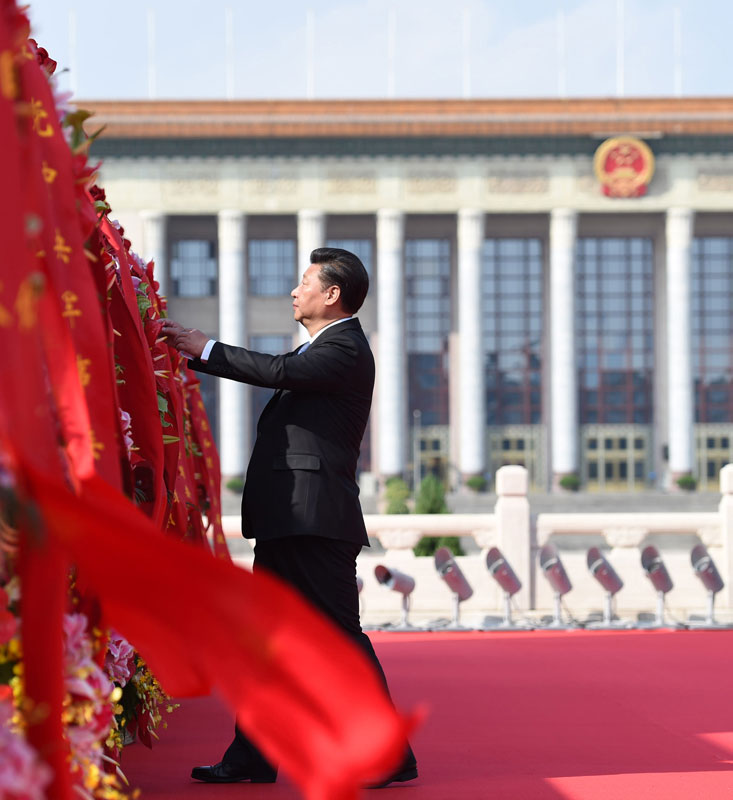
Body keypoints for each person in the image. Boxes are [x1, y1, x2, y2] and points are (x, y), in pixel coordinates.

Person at [162, 247, 417, 788]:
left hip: (315, 518)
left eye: (304, 282)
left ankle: (390, 753)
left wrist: (202, 347)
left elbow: (277, 370)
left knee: (339, 637)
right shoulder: (322, 350)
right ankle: (253, 757)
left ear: (332, 295)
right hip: (290, 517)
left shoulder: (344, 347)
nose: (294, 292)